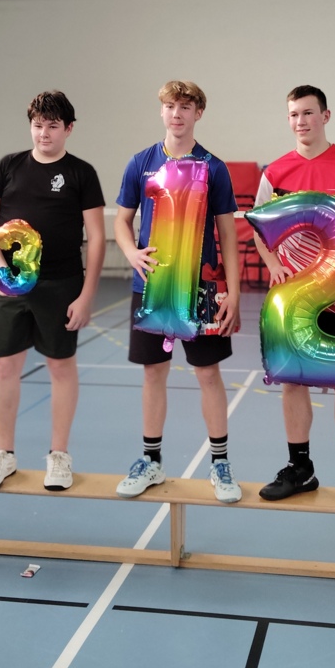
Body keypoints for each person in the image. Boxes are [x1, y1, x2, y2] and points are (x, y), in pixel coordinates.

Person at [252, 84, 335, 510]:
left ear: (325, 116)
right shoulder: (275, 173)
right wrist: (272, 265)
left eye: (308, 113)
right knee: (293, 381)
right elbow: (259, 230)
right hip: (292, 300)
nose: (301, 121)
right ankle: (300, 468)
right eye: (294, 114)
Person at [113, 80, 242, 504]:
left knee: (207, 373)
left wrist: (234, 291)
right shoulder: (141, 163)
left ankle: (220, 463)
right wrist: (131, 252)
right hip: (151, 286)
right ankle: (151, 461)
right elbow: (122, 220)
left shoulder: (214, 167)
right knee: (154, 372)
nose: (177, 114)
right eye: (170, 106)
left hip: (201, 288)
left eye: (186, 107)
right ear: (162, 111)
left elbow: (228, 234)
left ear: (198, 113)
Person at [0, 91, 106, 492]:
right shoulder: (8, 166)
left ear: (69, 129)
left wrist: (86, 296)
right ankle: (4, 454)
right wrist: (1, 269)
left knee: (60, 367)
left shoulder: (81, 173)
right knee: (5, 366)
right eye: (37, 125)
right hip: (10, 288)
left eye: (52, 126)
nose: (43, 133)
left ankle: (59, 455)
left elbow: (97, 239)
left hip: (61, 285)